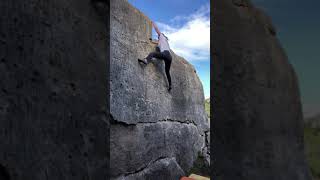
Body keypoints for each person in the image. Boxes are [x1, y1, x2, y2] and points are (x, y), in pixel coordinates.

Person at [138, 21, 172, 92]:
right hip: (169, 57)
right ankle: (170, 85)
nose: (158, 37)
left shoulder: (162, 36)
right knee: (167, 71)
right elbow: (156, 42)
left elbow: (157, 30)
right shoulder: (164, 41)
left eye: (158, 36)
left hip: (165, 54)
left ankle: (146, 60)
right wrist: (151, 40)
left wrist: (153, 24)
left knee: (152, 54)